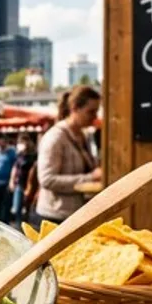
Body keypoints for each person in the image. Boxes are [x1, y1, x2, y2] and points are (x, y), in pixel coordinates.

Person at [35, 86, 103, 223]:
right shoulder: (55, 137)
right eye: (91, 112)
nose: (95, 117)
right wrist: (91, 177)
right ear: (75, 108)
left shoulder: (83, 135)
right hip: (55, 217)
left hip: (73, 215)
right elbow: (47, 179)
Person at [10, 133, 38, 225]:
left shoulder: (34, 155)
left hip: (30, 186)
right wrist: (12, 181)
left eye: (23, 141)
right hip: (19, 184)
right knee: (17, 207)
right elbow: (15, 168)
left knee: (28, 207)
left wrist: (30, 187)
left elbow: (34, 171)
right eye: (20, 142)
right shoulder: (19, 155)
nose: (21, 144)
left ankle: (26, 225)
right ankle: (19, 225)